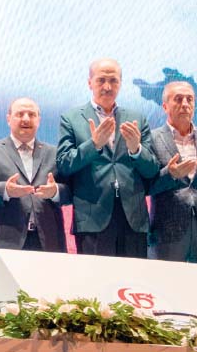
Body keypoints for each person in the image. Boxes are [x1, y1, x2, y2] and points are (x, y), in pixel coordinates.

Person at [56, 58, 158, 258]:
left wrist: (136, 149)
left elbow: (152, 169)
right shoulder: (71, 118)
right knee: (95, 286)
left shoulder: (137, 118)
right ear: (90, 83)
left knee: (133, 284)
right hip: (93, 217)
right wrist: (93, 145)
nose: (107, 86)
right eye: (101, 80)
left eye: (113, 80)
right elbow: (64, 164)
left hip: (133, 219)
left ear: (120, 83)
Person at [0, 97, 69, 261]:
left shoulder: (55, 153)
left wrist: (55, 192)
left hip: (48, 243)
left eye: (31, 114)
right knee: (6, 288)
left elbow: (72, 190)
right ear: (8, 118)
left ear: (39, 120)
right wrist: (5, 190)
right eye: (20, 114)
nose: (26, 119)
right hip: (5, 242)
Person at [147, 82, 197, 270]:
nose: (185, 104)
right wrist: (170, 174)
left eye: (189, 99)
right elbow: (145, 187)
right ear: (165, 106)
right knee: (167, 292)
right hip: (167, 231)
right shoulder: (151, 139)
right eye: (178, 99)